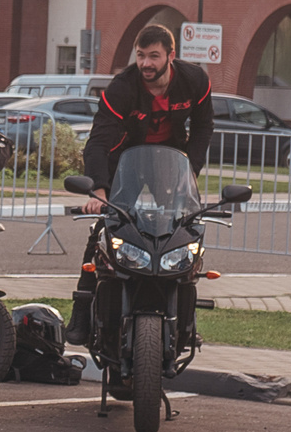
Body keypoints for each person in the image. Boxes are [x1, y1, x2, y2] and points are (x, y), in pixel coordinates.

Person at [66, 24, 215, 345]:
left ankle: (185, 320)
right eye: (141, 55)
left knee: (182, 234)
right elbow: (98, 142)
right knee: (105, 231)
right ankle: (81, 311)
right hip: (125, 164)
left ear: (171, 56)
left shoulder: (195, 81)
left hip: (170, 163)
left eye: (154, 56)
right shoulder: (121, 88)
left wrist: (190, 173)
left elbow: (204, 127)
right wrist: (98, 191)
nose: (146, 63)